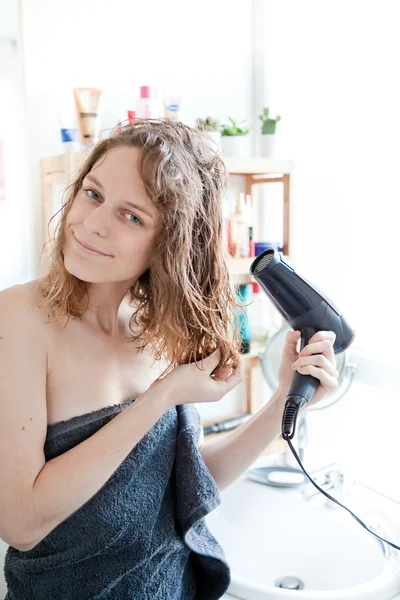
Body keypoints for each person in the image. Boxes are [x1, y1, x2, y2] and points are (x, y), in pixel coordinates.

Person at [0, 119, 339, 600]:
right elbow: (21, 523)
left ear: (168, 244)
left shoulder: (159, 331)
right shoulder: (20, 319)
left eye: (131, 216)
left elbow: (186, 486)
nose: (93, 224)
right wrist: (162, 397)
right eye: (93, 194)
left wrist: (284, 397)